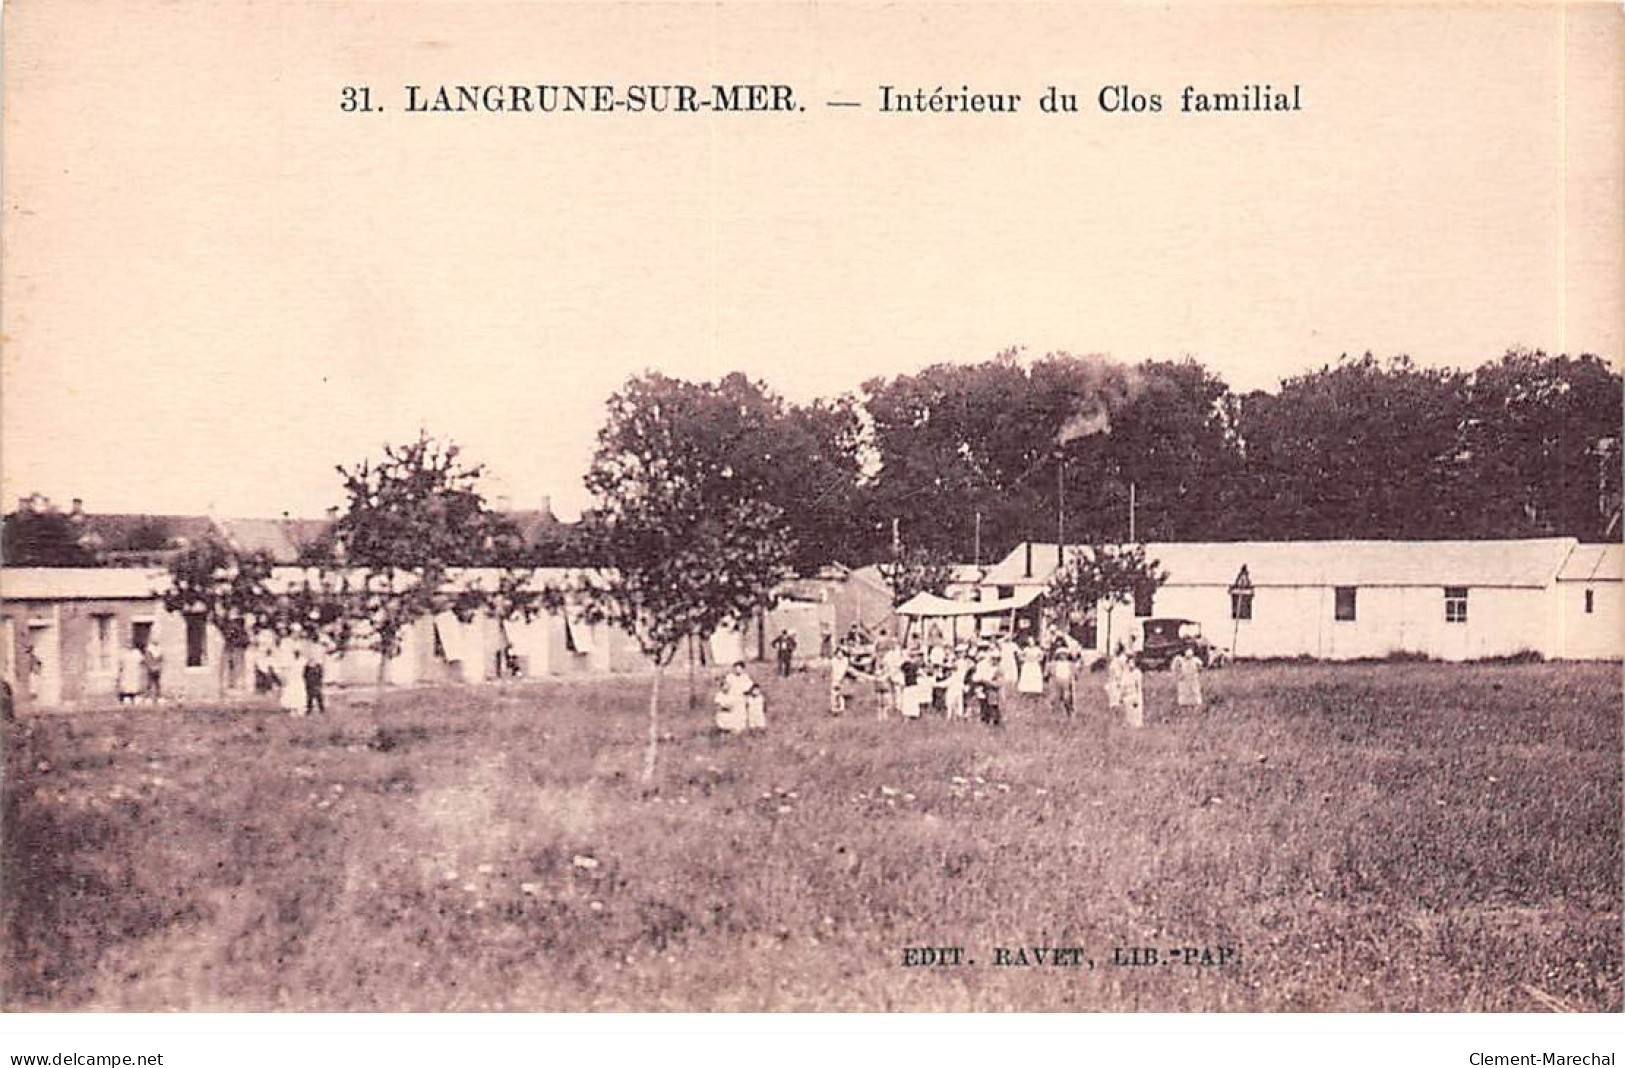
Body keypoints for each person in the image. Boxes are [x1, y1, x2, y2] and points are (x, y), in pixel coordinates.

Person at [713, 661, 753, 733]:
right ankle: (730, 727)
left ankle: (740, 728)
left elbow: (749, 687)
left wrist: (746, 694)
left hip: (741, 697)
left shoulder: (745, 677)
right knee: (732, 713)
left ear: (743, 669)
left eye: (739, 668)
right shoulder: (730, 677)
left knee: (741, 713)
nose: (738, 670)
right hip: (732, 696)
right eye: (736, 668)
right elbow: (725, 685)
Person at [1048, 633, 1080, 716]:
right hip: (1057, 681)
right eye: (1061, 655)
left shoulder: (1070, 664)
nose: (1063, 656)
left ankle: (1070, 712)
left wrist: (1074, 678)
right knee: (1056, 698)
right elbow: (1049, 673)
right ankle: (1055, 713)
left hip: (1067, 681)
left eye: (1064, 655)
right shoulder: (1054, 664)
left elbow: (1075, 674)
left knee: (1067, 698)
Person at [279, 645, 307, 715]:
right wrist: (284, 677)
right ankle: (292, 709)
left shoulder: (303, 660)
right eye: (295, 652)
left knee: (300, 693)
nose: (296, 653)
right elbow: (284, 669)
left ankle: (300, 709)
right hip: (292, 679)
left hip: (299, 679)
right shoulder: (290, 660)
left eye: (298, 652)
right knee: (291, 693)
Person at [1121, 649, 1145, 729]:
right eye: (1128, 663)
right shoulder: (1125, 673)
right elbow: (1122, 686)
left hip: (1134, 696)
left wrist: (1137, 699)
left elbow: (1138, 687)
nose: (1130, 665)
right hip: (1127, 697)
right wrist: (1121, 696)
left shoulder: (1137, 673)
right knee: (1127, 715)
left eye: (1132, 662)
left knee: (1135, 716)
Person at [303, 649, 326, 716]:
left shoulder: (318, 667)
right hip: (310, 683)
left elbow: (320, 675)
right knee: (310, 697)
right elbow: (304, 675)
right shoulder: (307, 667)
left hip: (316, 683)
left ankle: (321, 709)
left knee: (318, 696)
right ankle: (309, 709)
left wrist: (319, 681)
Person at [828, 645, 850, 715]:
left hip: (841, 680)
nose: (839, 655)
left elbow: (843, 671)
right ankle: (834, 707)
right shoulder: (834, 660)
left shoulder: (845, 661)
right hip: (834, 679)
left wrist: (840, 678)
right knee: (834, 694)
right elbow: (832, 670)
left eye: (841, 653)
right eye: (838, 653)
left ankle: (841, 708)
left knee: (840, 694)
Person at [1105, 642, 1126, 710]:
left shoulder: (1122, 658)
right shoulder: (1115, 658)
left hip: (1119, 680)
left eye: (1116, 647)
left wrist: (1121, 680)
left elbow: (1125, 670)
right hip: (1112, 680)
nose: (1114, 648)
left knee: (1118, 697)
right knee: (1112, 696)